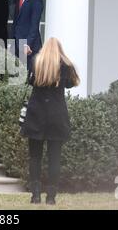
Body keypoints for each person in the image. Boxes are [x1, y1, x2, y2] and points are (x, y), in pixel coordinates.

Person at [21, 37, 80, 205]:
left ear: (44, 49)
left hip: (36, 113)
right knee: (54, 158)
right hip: (57, 114)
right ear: (59, 51)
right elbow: (71, 84)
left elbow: (30, 81)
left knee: (35, 157)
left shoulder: (35, 62)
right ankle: (51, 197)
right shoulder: (65, 65)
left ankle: (35, 196)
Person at [12, 0, 43, 72]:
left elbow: (34, 25)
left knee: (28, 78)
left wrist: (27, 44)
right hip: (16, 44)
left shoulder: (36, 0)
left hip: (28, 47)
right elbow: (16, 24)